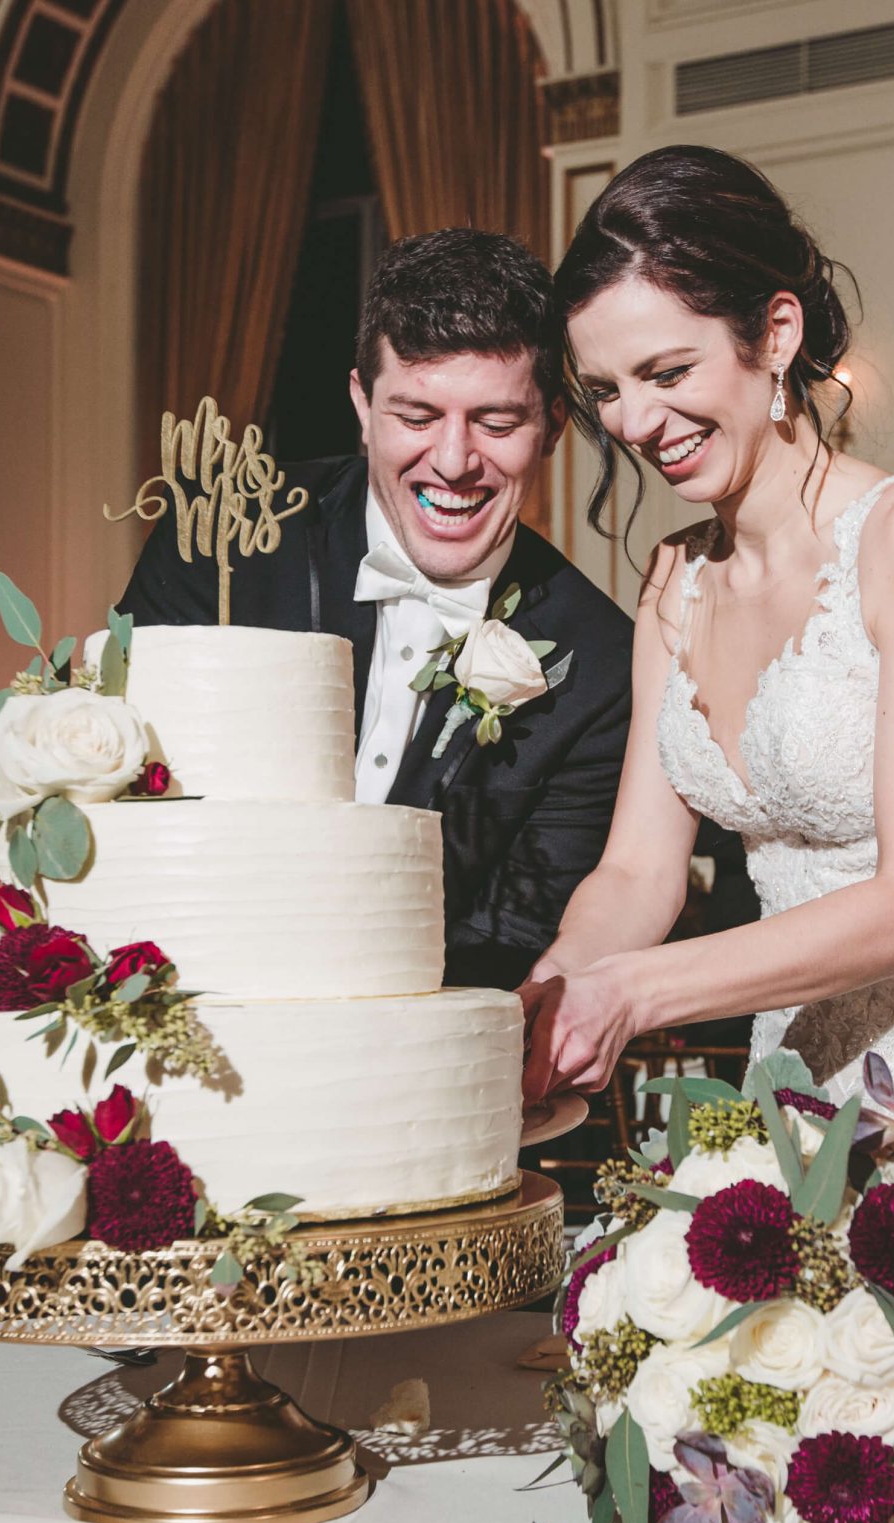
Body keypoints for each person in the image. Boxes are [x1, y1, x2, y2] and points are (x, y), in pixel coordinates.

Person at [518, 145, 894, 1411]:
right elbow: (638, 867)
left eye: (666, 371)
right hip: (798, 1086)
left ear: (776, 333)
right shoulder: (670, 584)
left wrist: (637, 992)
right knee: (810, 1462)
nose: (635, 423)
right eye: (605, 390)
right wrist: (548, 996)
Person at [117, 228, 636, 991]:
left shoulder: (597, 664)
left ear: (553, 423)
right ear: (361, 403)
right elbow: (125, 792)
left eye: (495, 422)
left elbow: (511, 940)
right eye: (417, 416)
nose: (455, 462)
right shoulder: (223, 540)